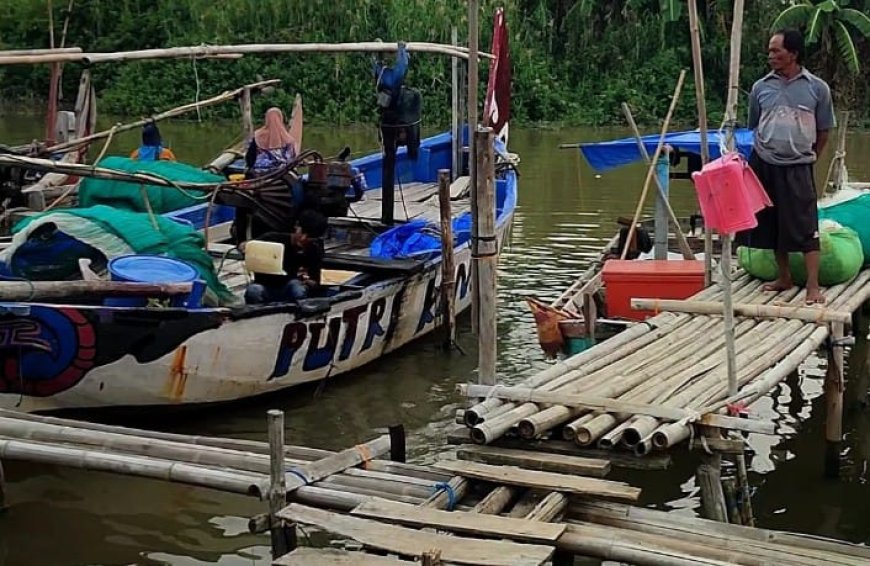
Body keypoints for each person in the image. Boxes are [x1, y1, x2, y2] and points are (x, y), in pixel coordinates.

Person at [737, 29, 835, 305]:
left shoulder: (817, 88)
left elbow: (824, 130)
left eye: (776, 51)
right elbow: (754, 126)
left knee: (805, 225)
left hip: (799, 165)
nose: (771, 56)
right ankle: (784, 277)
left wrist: (811, 156)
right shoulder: (760, 88)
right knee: (772, 223)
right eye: (769, 51)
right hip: (764, 162)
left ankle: (813, 287)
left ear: (793, 53)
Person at [243, 209, 328, 304]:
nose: (303, 238)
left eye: (309, 237)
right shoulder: (271, 238)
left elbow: (316, 279)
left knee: (297, 288)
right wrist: (247, 247)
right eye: (302, 233)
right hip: (264, 286)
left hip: (289, 288)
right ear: (296, 226)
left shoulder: (313, 250)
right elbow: (246, 246)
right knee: (253, 291)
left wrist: (310, 283)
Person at [245, 106, 300, 178]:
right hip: (282, 173)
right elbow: (292, 160)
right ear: (281, 119)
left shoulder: (258, 135)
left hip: (260, 173)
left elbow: (249, 158)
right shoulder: (288, 139)